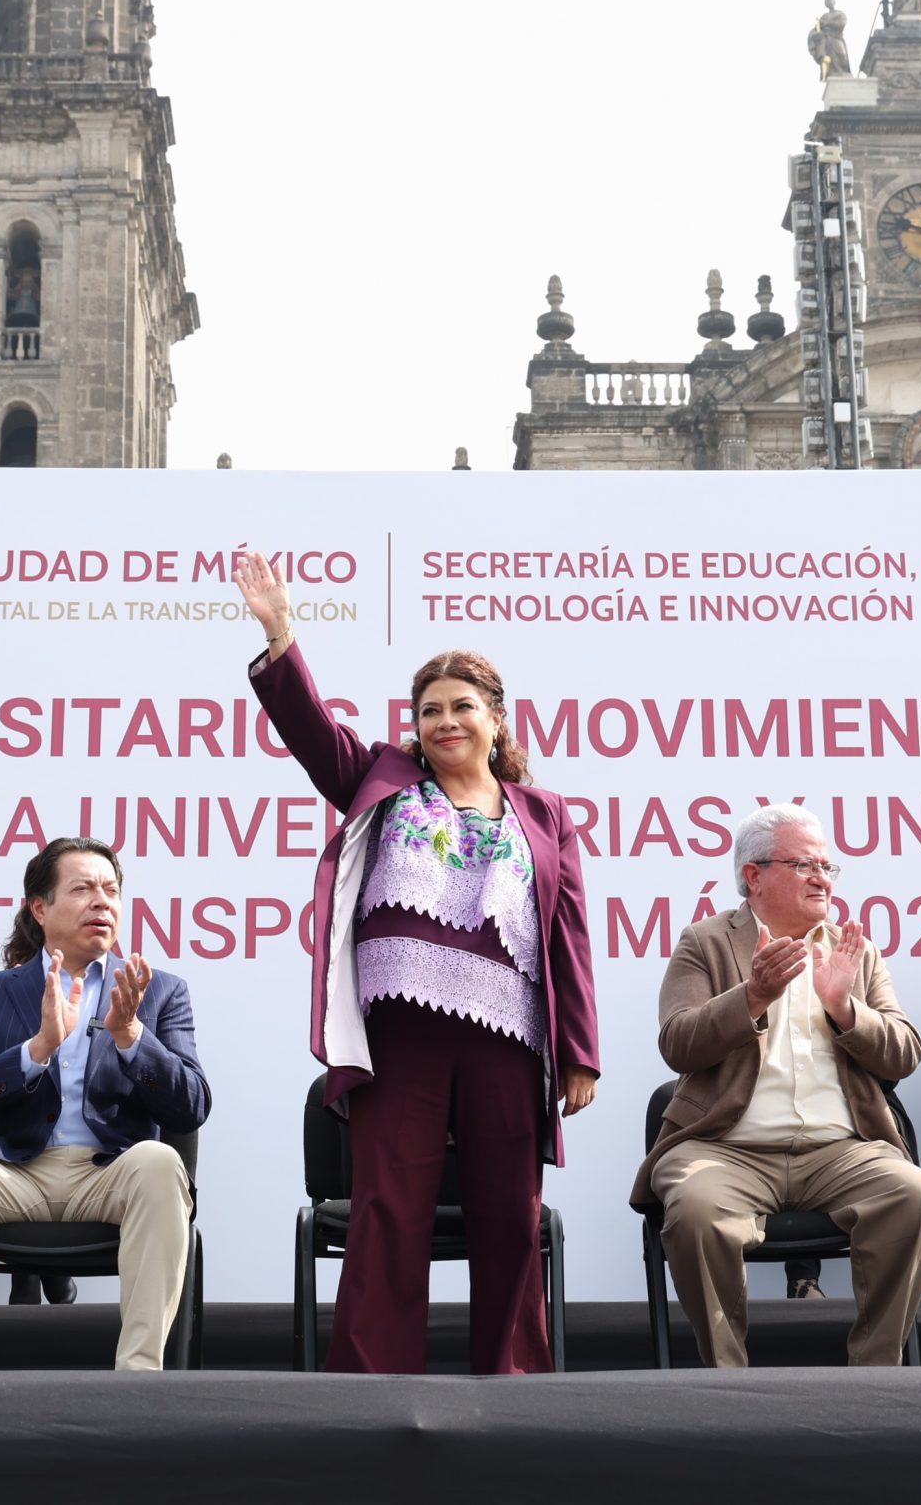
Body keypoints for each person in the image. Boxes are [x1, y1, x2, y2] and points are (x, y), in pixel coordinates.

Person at [237, 550, 599, 1375]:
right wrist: (282, 633)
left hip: (507, 1031)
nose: (444, 721)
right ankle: (369, 1383)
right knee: (387, 1205)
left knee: (510, 1209)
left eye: (461, 706)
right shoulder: (381, 777)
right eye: (429, 709)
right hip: (398, 1032)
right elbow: (311, 732)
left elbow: (568, 934)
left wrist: (579, 1051)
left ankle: (511, 1384)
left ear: (496, 719)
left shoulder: (544, 813)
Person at [637, 806, 921, 1368]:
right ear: (753, 876)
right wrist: (751, 996)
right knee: (696, 1210)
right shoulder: (704, 943)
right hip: (726, 1149)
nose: (822, 878)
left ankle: (875, 1376)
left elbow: (904, 1054)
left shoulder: (857, 951)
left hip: (840, 1151)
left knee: (915, 1196)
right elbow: (677, 1043)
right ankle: (727, 1382)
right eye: (804, 863)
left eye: (829, 866)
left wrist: (843, 1007)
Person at [0, 839, 208, 1371]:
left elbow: (192, 1107)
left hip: (106, 1175)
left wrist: (132, 1034)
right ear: (39, 908)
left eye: (111, 891)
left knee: (160, 1162)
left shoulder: (158, 992)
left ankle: (139, 1376)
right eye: (83, 889)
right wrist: (36, 1049)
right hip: (12, 1174)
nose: (102, 902)